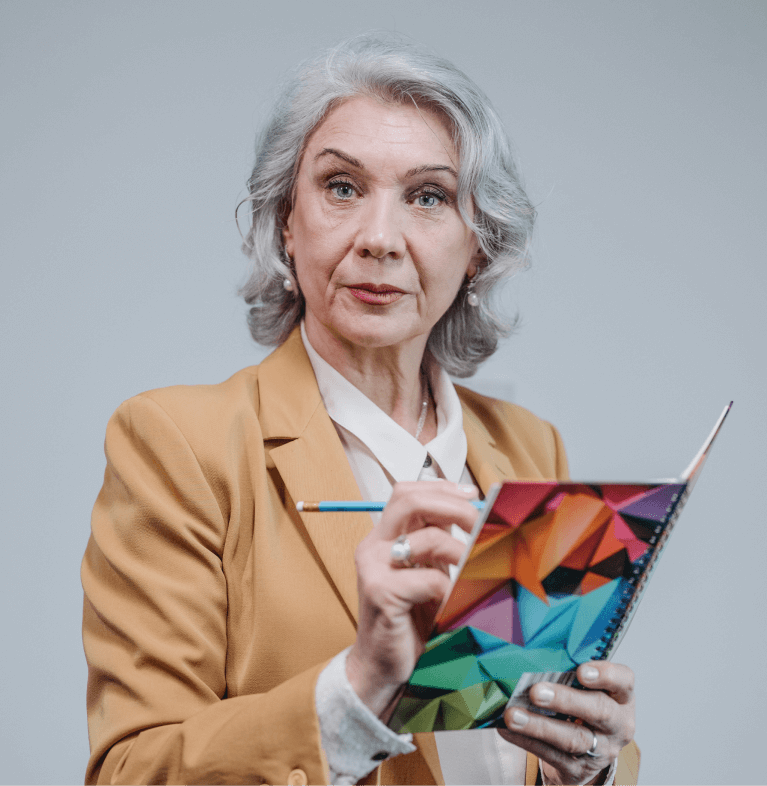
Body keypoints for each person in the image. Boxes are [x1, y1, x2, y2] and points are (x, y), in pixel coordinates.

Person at [82, 34, 639, 785]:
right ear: (286, 219)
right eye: (341, 187)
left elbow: (539, 731)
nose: (379, 239)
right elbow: (131, 771)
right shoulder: (179, 444)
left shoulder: (530, 449)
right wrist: (361, 684)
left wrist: (587, 767)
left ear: (477, 245)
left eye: (428, 197)